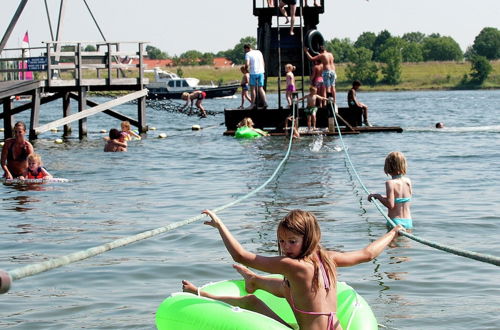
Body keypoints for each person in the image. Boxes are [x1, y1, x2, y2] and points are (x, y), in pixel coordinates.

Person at [182, 209, 403, 330]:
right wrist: (393, 233)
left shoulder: (291, 266)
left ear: (308, 238)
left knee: (251, 302)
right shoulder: (328, 258)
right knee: (288, 287)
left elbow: (241, 255)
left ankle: (201, 293)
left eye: (292, 241)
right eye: (282, 241)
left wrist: (221, 226)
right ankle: (255, 280)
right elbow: (368, 254)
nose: (286, 247)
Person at [368, 151, 413, 229]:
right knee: (406, 241)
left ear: (388, 167)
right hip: (408, 221)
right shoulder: (408, 181)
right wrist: (377, 196)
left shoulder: (390, 183)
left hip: (395, 222)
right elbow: (399, 199)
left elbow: (390, 205)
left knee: (393, 241)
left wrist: (378, 196)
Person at [244, 44, 268, 109]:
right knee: (261, 88)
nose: (245, 51)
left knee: (253, 89)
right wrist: (263, 71)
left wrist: (245, 69)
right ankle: (265, 102)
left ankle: (252, 104)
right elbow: (263, 62)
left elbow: (247, 64)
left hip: (253, 73)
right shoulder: (259, 52)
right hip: (261, 72)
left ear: (246, 49)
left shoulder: (248, 54)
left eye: (245, 50)